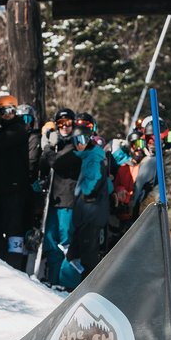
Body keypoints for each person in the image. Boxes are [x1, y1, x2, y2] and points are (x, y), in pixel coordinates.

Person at [0, 95, 32, 270]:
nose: (7, 114)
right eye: (3, 111)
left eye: (11, 110)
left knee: (14, 230)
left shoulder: (19, 130)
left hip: (15, 191)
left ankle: (15, 265)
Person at [64, 113, 109, 282]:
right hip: (85, 214)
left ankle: (88, 286)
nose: (79, 144)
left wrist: (83, 190)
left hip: (92, 214)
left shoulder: (95, 155)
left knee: (88, 254)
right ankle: (74, 283)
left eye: (82, 140)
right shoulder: (85, 156)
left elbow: (94, 181)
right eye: (76, 141)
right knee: (76, 251)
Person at [39, 107, 78, 286]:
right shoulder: (57, 144)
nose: (65, 127)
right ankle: (53, 278)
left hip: (68, 200)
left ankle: (68, 281)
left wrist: (46, 148)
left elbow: (58, 162)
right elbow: (44, 165)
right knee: (51, 240)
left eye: (68, 123)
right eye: (61, 123)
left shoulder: (76, 145)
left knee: (66, 241)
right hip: (53, 200)